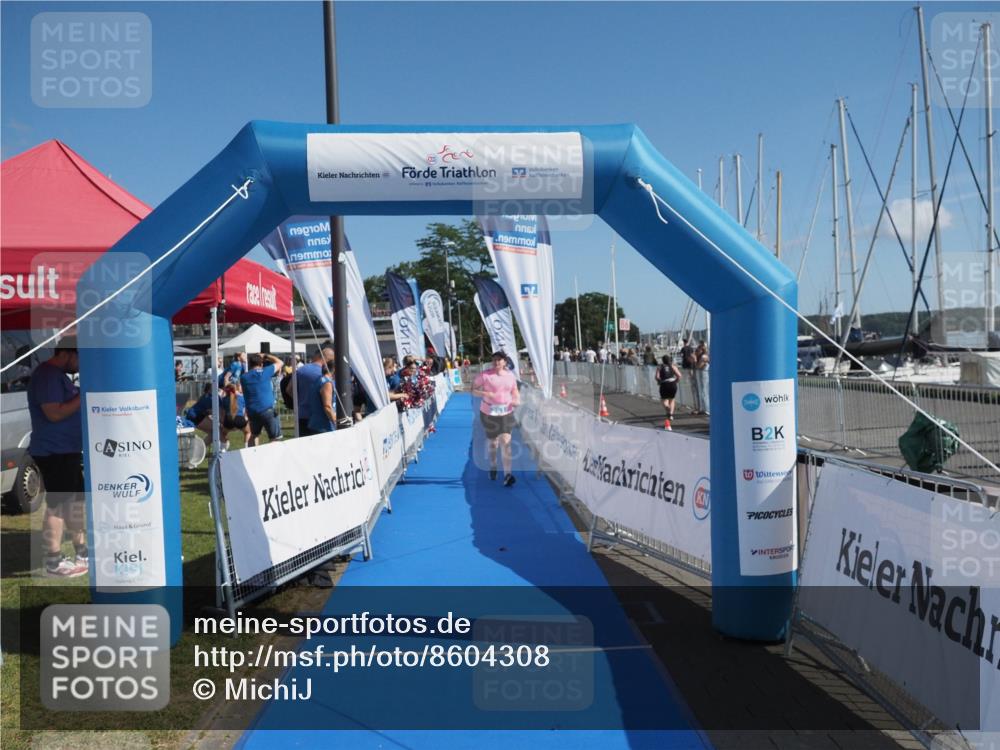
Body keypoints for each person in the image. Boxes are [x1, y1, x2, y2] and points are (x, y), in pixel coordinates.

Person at [27, 338, 88, 577]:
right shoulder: (47, 375)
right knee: (58, 506)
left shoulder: (57, 375)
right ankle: (53, 561)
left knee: (74, 504)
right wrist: (83, 394)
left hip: (67, 450)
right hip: (54, 451)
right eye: (80, 358)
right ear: (67, 353)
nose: (81, 365)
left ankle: (82, 552)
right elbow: (53, 414)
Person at [472, 351, 520, 487]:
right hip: (489, 413)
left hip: (506, 412)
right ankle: (493, 465)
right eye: (494, 360)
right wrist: (485, 393)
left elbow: (515, 390)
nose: (496, 362)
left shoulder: (510, 376)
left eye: (499, 360)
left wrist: (517, 399)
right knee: (493, 443)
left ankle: (507, 475)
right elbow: (473, 390)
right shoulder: (485, 375)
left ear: (505, 362)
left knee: (506, 441)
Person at [240, 352, 284, 447]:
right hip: (267, 410)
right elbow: (280, 362)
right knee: (275, 438)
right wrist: (266, 356)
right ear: (261, 364)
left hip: (252, 412)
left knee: (254, 435)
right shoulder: (264, 372)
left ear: (250, 364)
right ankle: (273, 458)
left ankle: (253, 456)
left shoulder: (244, 377)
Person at [287, 350, 325, 436]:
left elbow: (289, 389)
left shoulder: (301, 369)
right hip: (319, 415)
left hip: (302, 414)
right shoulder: (325, 373)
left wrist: (300, 400)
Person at [307, 360, 338, 434]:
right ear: (334, 370)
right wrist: (336, 422)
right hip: (324, 427)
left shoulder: (318, 380)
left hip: (315, 423)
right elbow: (327, 407)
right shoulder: (327, 383)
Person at [656, 354, 683, 430]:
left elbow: (657, 377)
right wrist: (676, 381)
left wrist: (659, 381)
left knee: (664, 399)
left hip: (664, 384)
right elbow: (679, 375)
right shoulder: (673, 366)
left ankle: (667, 408)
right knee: (672, 399)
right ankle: (671, 414)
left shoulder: (660, 367)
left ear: (662, 360)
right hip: (672, 383)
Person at [693, 342, 710, 415]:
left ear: (701, 350)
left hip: (704, 375)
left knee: (704, 391)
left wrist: (695, 360)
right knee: (702, 391)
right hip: (701, 375)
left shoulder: (704, 357)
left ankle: (706, 409)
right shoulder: (703, 356)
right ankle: (703, 408)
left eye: (697, 350)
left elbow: (698, 366)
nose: (696, 351)